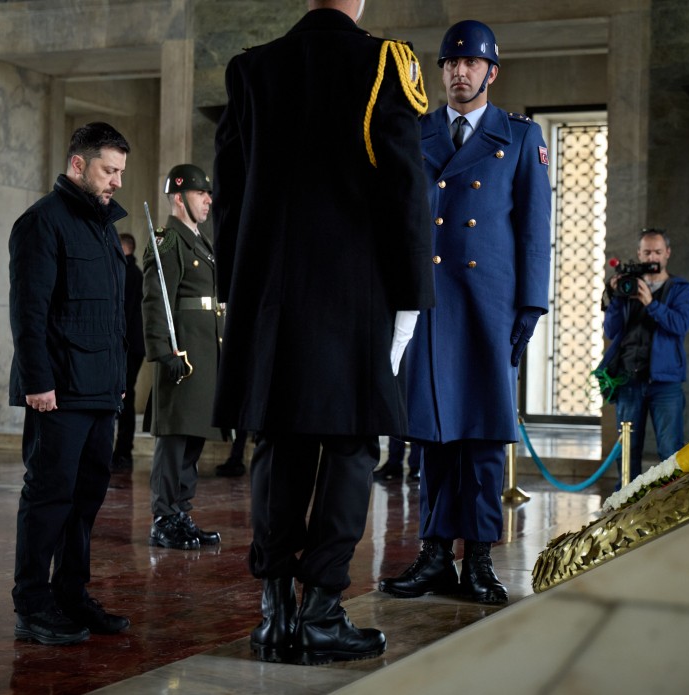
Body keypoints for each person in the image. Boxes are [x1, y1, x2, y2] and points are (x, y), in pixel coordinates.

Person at [213, 0, 433, 665]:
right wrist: (410, 298)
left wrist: (241, 296)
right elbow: (403, 190)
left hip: (273, 301)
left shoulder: (253, 70)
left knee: (279, 444)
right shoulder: (382, 64)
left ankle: (274, 611)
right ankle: (322, 612)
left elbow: (229, 194)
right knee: (349, 445)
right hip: (353, 295)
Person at [378, 20, 552, 606]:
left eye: (471, 63)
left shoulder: (521, 137)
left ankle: (477, 558)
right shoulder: (418, 131)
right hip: (428, 305)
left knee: (479, 435)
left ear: (491, 72)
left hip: (487, 306)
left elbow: (534, 231)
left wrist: (530, 305)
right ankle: (433, 555)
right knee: (431, 435)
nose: (459, 72)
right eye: (451, 63)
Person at [8, 121, 132, 646]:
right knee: (48, 500)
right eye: (109, 170)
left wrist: (118, 381)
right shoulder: (42, 222)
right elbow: (28, 312)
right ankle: (33, 605)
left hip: (100, 390)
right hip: (57, 393)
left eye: (121, 172)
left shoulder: (103, 227)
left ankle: (71, 594)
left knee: (84, 501)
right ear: (78, 165)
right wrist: (39, 382)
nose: (117, 182)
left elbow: (112, 318)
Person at [142, 163, 224, 550]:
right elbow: (156, 301)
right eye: (200, 193)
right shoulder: (168, 240)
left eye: (208, 194)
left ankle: (182, 513)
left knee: (193, 437)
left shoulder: (200, 241)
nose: (208, 200)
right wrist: (163, 351)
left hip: (204, 354)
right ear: (178, 198)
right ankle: (163, 517)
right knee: (174, 440)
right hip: (182, 355)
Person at [597, 228, 689, 483]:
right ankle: (625, 508)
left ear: (667, 254)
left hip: (666, 383)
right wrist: (616, 297)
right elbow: (611, 330)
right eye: (647, 251)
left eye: (658, 252)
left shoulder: (680, 288)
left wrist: (651, 303)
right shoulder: (628, 287)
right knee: (627, 453)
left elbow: (680, 325)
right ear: (639, 253)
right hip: (629, 381)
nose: (652, 256)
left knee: (670, 450)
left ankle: (672, 508)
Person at [111, 232, 144, 473]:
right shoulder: (135, 273)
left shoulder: (126, 273)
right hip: (135, 346)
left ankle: (122, 451)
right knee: (126, 396)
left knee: (124, 398)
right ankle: (123, 451)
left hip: (126, 346)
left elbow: (123, 311)